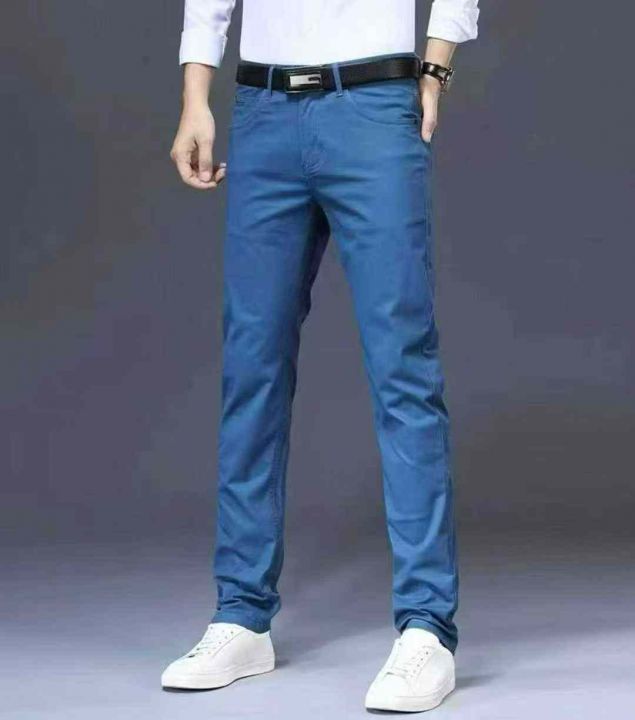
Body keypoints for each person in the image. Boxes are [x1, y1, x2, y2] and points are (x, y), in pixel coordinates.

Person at [162, 0, 479, 712]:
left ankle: (426, 628)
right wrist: (195, 96)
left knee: (402, 366)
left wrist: (435, 69)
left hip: (373, 105)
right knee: (252, 368)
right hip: (263, 110)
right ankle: (241, 615)